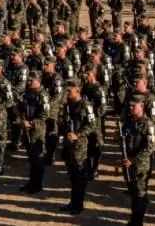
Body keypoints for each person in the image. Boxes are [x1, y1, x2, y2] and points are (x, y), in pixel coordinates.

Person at [59, 78, 96, 215]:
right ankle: (73, 202)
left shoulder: (86, 106)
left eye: (70, 90)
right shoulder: (68, 105)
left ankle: (78, 204)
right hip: (68, 144)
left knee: (79, 175)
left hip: (80, 146)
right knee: (72, 174)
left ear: (78, 91)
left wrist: (78, 134)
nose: (67, 93)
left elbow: (92, 125)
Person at [119, 95, 155, 226]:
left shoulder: (147, 124)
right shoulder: (128, 121)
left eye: (134, 106)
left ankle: (138, 222)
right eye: (130, 105)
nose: (131, 108)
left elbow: (150, 147)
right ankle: (134, 220)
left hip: (141, 165)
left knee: (140, 195)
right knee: (133, 193)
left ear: (142, 106)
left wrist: (133, 160)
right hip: (128, 163)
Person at [18, 72, 51, 193]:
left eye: (31, 80)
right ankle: (31, 182)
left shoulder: (42, 94)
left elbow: (45, 114)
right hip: (27, 128)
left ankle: (37, 184)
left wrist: (31, 123)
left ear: (38, 81)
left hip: (37, 129)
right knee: (31, 157)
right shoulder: (28, 93)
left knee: (37, 158)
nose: (28, 82)